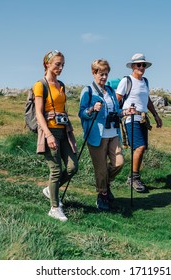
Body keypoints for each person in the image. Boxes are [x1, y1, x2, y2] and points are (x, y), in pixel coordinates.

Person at [33, 50, 78, 222]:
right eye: (57, 64)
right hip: (49, 131)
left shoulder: (61, 85)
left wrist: (70, 133)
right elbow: (38, 113)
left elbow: (63, 109)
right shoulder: (40, 85)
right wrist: (49, 135)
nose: (60, 68)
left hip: (63, 130)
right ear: (47, 64)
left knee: (73, 167)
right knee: (56, 170)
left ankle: (50, 190)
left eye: (62, 65)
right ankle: (54, 207)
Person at [78, 59, 124, 211]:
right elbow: (82, 113)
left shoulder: (110, 91)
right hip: (96, 135)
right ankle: (102, 194)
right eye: (101, 74)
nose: (104, 77)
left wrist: (124, 112)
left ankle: (104, 185)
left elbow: (116, 111)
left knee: (119, 163)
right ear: (94, 73)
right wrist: (92, 109)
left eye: (106, 74)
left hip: (113, 133)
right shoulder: (88, 91)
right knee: (101, 169)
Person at [116, 53, 163, 193]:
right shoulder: (126, 81)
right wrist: (119, 114)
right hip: (130, 119)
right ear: (132, 66)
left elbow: (147, 100)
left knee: (141, 148)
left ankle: (133, 176)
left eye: (143, 65)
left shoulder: (145, 82)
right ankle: (133, 178)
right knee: (140, 147)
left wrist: (156, 115)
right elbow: (116, 99)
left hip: (143, 119)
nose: (141, 67)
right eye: (138, 65)